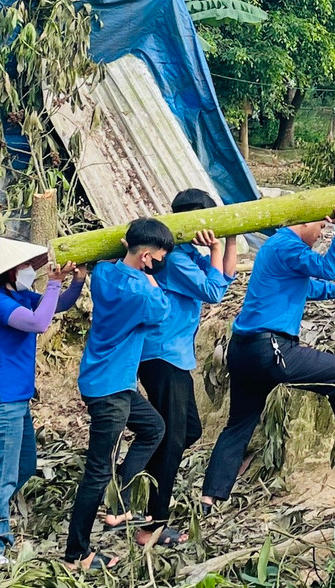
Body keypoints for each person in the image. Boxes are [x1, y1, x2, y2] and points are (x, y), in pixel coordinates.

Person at [200, 207, 335, 508]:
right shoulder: (288, 246)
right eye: (321, 227)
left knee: (239, 425)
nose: (322, 233)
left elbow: (305, 286)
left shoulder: (276, 248)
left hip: (242, 349)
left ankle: (210, 497)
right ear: (304, 219)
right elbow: (329, 267)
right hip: (270, 349)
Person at [0, 238, 83, 561]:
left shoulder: (20, 296)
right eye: (25, 267)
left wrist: (76, 282)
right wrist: (52, 284)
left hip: (16, 404)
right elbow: (40, 322)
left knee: (23, 467)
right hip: (0, 405)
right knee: (3, 479)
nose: (30, 272)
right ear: (9, 273)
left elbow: (58, 304)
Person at [64, 219, 173, 571]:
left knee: (154, 428)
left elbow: (113, 261)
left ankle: (120, 504)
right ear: (145, 257)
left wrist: (134, 256)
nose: (160, 262)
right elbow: (163, 312)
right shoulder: (142, 293)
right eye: (158, 257)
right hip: (111, 389)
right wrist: (149, 275)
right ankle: (77, 553)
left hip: (108, 380)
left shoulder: (105, 274)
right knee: (96, 471)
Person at [134, 189, 238, 548]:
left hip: (175, 356)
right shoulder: (176, 259)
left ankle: (137, 488)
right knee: (174, 437)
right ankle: (151, 525)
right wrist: (214, 250)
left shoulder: (189, 255)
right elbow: (212, 291)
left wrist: (231, 238)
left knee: (186, 431)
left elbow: (223, 283)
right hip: (162, 355)